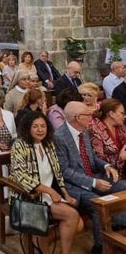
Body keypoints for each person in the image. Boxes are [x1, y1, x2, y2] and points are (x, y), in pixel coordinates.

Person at [54, 101, 126, 254]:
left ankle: (118, 230)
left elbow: (92, 157)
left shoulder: (84, 131)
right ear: (78, 117)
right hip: (72, 186)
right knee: (96, 206)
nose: (92, 118)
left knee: (123, 186)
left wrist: (106, 166)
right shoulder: (59, 137)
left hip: (93, 176)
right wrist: (93, 182)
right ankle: (100, 247)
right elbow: (64, 171)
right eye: (88, 115)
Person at [11, 111, 81, 254]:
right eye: (35, 126)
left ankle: (40, 240)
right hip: (29, 197)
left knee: (78, 224)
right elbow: (21, 176)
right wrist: (50, 191)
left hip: (48, 196)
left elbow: (57, 173)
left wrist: (65, 194)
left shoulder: (48, 144)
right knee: (72, 216)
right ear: (28, 128)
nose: (40, 130)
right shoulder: (20, 145)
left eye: (43, 126)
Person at [89, 98, 126, 178]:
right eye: (122, 113)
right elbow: (98, 161)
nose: (124, 116)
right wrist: (121, 158)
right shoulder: (96, 131)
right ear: (111, 114)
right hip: (109, 174)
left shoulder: (121, 127)